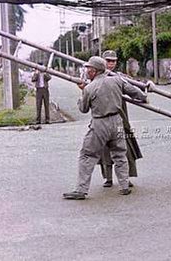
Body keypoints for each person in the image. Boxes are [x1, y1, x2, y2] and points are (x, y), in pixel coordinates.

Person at [63, 56, 148, 200]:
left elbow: (83, 109)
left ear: (94, 71)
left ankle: (81, 190)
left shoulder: (90, 88)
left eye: (89, 69)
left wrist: (83, 92)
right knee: (120, 154)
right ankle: (124, 185)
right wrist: (144, 97)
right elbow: (137, 94)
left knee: (87, 155)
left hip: (99, 123)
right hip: (117, 121)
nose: (87, 71)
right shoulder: (117, 80)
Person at [98, 50, 142, 188]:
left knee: (125, 148)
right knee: (105, 149)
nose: (111, 64)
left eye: (113, 61)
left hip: (119, 116)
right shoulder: (96, 77)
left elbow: (133, 88)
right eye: (108, 61)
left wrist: (144, 95)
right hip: (102, 116)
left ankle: (125, 178)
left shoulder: (120, 77)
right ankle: (108, 178)